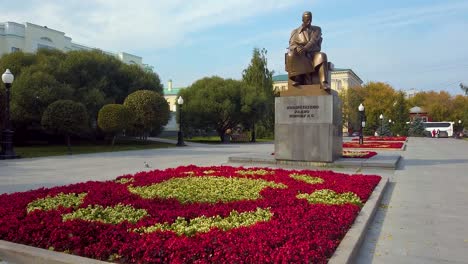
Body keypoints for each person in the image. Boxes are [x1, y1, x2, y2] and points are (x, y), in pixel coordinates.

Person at [286, 11, 330, 91]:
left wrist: (305, 48)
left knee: (322, 56)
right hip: (300, 55)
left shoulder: (317, 29)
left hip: (314, 54)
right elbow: (291, 45)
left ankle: (323, 82)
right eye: (307, 19)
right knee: (290, 54)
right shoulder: (295, 32)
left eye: (310, 19)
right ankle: (297, 78)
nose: (309, 21)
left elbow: (313, 41)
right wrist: (297, 48)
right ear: (302, 20)